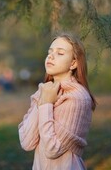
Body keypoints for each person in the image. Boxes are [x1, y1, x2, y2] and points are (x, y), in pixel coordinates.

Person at [18, 32, 96, 170]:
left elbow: (52, 149)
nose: (51, 56)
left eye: (60, 53)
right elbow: (26, 142)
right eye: (50, 51)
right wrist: (43, 97)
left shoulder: (78, 97)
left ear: (73, 63)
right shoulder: (44, 90)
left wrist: (46, 104)